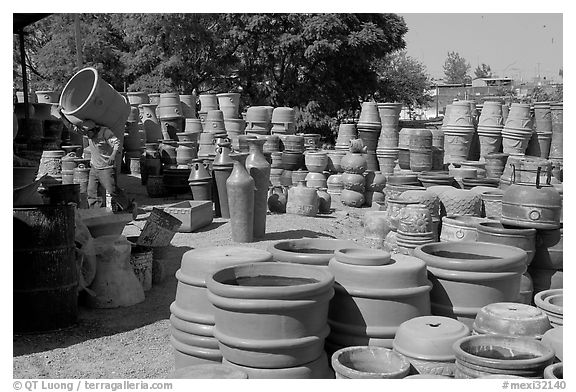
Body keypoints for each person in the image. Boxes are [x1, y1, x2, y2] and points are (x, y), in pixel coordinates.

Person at [59, 110, 137, 219]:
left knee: (112, 190)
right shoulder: (88, 133)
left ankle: (129, 206)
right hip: (94, 168)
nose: (87, 135)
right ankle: (98, 214)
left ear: (94, 129)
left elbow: (117, 143)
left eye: (88, 133)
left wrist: (113, 156)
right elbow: (72, 128)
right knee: (92, 193)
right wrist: (62, 115)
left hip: (107, 168)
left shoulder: (105, 132)